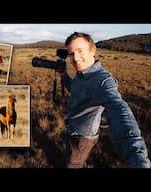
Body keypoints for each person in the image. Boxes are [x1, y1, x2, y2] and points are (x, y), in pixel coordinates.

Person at [60, 32, 150, 168]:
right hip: (73, 127)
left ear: (92, 51)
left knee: (73, 163)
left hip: (82, 135)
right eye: (71, 54)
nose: (75, 58)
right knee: (74, 157)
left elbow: (120, 111)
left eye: (80, 51)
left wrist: (138, 159)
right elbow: (75, 88)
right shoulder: (81, 73)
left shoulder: (103, 81)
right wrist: (63, 75)